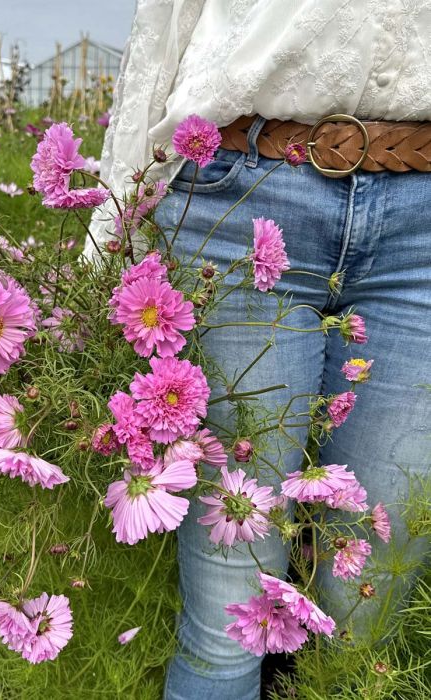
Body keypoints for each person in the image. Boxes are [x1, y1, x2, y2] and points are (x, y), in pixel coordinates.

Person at [85, 2, 431, 699]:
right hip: (243, 192)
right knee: (228, 616)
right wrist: (110, 231)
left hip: (421, 223)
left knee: (367, 612)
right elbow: (164, 23)